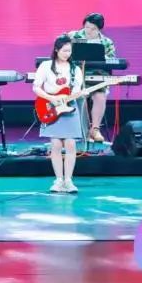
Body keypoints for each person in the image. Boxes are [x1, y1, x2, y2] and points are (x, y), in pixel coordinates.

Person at [33, 34, 84, 193]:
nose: (67, 54)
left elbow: (76, 89)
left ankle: (68, 181)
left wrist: (77, 94)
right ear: (56, 50)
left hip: (69, 108)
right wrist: (52, 99)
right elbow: (36, 87)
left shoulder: (75, 69)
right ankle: (58, 180)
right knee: (55, 144)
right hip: (50, 106)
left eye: (69, 51)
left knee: (70, 143)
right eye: (64, 51)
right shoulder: (46, 66)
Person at [67, 12, 117, 143]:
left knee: (100, 96)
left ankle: (95, 129)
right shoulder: (73, 36)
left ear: (99, 29)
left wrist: (103, 57)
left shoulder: (106, 42)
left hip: (97, 75)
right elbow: (60, 50)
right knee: (80, 97)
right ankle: (82, 131)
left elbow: (112, 60)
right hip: (77, 75)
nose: (88, 31)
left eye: (93, 29)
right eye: (87, 27)